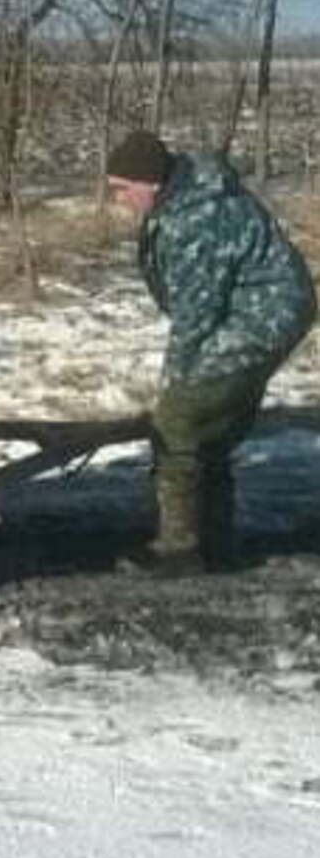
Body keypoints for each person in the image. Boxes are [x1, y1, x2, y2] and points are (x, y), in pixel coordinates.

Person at [105, 129, 314, 576]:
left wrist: (173, 382)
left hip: (260, 316)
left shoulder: (195, 220)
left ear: (150, 183)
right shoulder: (181, 201)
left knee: (178, 420)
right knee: (214, 423)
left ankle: (178, 548)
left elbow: (197, 315)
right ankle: (215, 539)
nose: (118, 199)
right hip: (261, 310)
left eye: (122, 188)